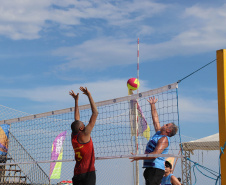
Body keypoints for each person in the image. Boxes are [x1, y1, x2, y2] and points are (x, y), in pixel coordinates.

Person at [130, 97, 178, 185]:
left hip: (156, 169)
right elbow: (155, 120)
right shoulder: (158, 133)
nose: (164, 124)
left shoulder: (164, 139)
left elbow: (155, 155)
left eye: (166, 125)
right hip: (150, 168)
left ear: (168, 131)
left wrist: (139, 157)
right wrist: (152, 105)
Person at [70, 87, 98, 185]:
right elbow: (95, 113)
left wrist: (76, 101)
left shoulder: (73, 137)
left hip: (77, 173)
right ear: (81, 128)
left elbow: (76, 119)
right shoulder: (85, 134)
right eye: (84, 124)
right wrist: (89, 95)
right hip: (87, 173)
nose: (85, 125)